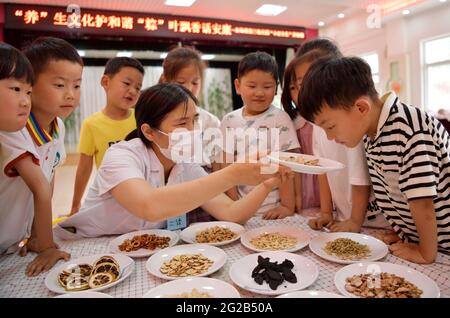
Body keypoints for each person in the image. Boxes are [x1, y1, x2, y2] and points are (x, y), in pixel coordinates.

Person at [54, 83, 291, 239]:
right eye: (181, 123)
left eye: (194, 121)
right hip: (91, 246)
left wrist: (267, 184)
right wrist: (234, 174)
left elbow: (231, 213)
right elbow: (150, 206)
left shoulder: (184, 164)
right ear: (149, 132)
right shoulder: (122, 156)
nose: (191, 130)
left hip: (145, 248)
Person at [299, 56, 450, 263]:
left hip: (443, 245)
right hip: (423, 238)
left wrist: (425, 252)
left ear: (361, 108)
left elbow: (423, 203)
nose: (329, 137)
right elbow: (395, 193)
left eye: (330, 126)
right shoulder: (374, 132)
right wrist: (408, 233)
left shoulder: (408, 129)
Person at [0, 37, 83, 275]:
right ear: (31, 84)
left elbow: (50, 178)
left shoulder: (58, 126)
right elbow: (41, 189)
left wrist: (38, 235)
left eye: (76, 86)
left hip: (12, 245)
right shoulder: (13, 129)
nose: (70, 95)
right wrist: (47, 247)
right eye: (59, 85)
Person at [220, 51, 300, 220]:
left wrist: (287, 206)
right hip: (241, 206)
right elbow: (226, 165)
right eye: (252, 86)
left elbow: (288, 164)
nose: (259, 93)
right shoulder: (229, 120)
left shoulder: (280, 118)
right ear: (238, 86)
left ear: (276, 88)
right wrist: (234, 204)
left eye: (267, 86)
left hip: (274, 208)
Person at [70, 57, 144, 215]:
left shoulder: (141, 120)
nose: (133, 91)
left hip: (142, 195)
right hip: (110, 198)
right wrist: (75, 205)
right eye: (126, 83)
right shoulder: (91, 124)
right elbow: (84, 168)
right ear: (105, 82)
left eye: (138, 88)